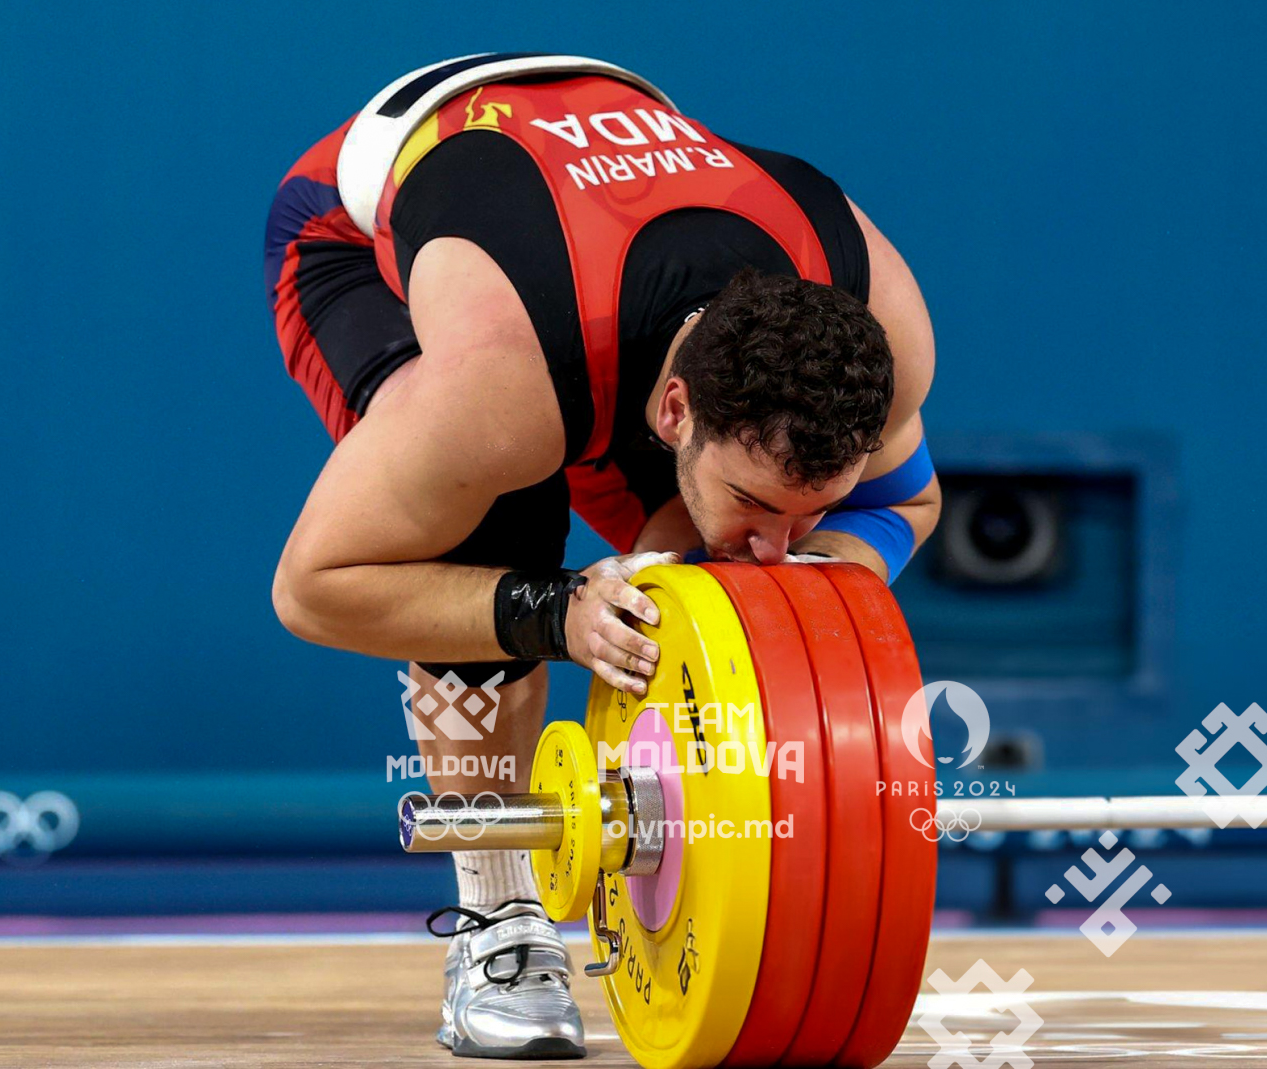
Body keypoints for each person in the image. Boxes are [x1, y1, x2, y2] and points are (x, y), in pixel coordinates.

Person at [264, 54, 938, 1059]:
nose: (778, 544)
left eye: (811, 508)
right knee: (499, 520)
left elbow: (906, 499)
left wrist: (826, 571)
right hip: (364, 228)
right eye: (759, 503)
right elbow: (315, 589)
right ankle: (497, 923)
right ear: (674, 412)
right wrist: (554, 613)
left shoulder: (880, 335)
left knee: (696, 561)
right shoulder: (501, 389)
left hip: (597, 221)